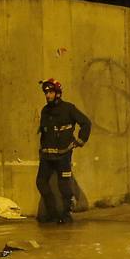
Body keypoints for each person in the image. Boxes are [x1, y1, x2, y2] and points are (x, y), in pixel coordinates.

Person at [37, 78, 92, 223]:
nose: (47, 95)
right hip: (47, 156)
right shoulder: (45, 110)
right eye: (46, 92)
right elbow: (44, 132)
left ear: (58, 93)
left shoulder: (68, 109)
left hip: (63, 155)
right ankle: (52, 213)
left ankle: (66, 215)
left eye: (50, 92)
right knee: (41, 182)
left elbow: (86, 123)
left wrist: (80, 140)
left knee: (64, 185)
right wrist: (42, 150)